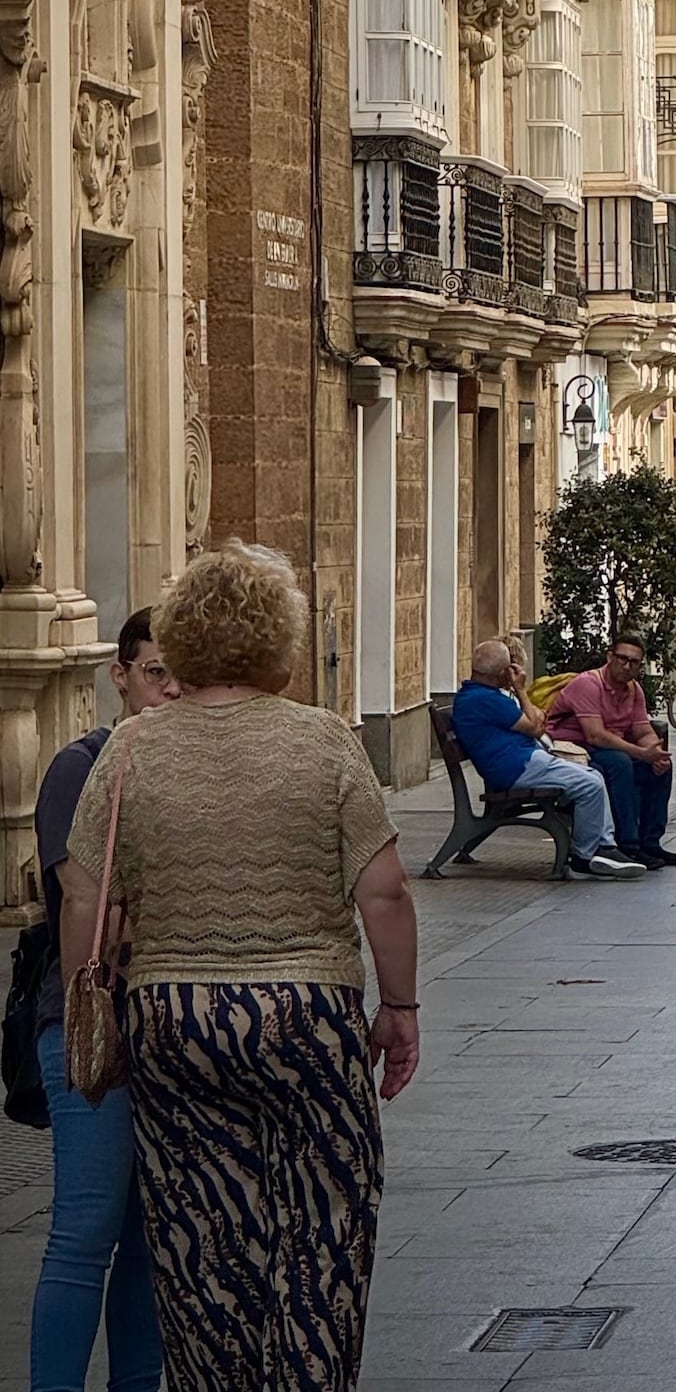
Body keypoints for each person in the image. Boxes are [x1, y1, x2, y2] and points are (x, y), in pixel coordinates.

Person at [58, 541, 420, 1392]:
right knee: (325, 1228)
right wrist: (399, 1007)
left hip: (173, 1015)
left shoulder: (132, 749)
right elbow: (386, 891)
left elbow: (83, 895)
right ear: (280, 638)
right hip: (305, 1016)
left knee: (200, 1235)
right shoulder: (326, 742)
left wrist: (89, 998)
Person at [29, 611, 176, 1392]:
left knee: (149, 1237)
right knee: (85, 1231)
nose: (170, 690)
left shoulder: (187, 771)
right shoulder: (80, 768)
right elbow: (86, 905)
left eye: (181, 675)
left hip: (165, 1026)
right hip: (90, 1023)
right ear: (119, 675)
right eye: (156, 673)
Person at [451, 639, 645, 878]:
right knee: (590, 783)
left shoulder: (480, 695)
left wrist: (529, 713)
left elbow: (536, 721)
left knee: (593, 775)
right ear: (503, 673)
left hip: (522, 761)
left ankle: (604, 846)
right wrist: (521, 689)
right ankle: (585, 856)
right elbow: (535, 727)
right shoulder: (486, 699)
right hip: (517, 767)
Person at [544, 633, 676, 867]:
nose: (627, 666)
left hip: (607, 749)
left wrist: (654, 752)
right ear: (610, 657)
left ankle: (650, 842)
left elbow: (642, 731)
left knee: (659, 768)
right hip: (576, 752)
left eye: (634, 662)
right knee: (619, 763)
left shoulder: (633, 690)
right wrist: (639, 753)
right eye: (622, 659)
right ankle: (628, 845)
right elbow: (595, 735)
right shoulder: (588, 684)